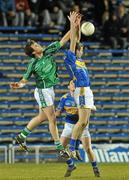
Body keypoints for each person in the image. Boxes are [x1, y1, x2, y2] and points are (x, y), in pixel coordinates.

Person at [10, 30, 71, 159]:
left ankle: (21, 136)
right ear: (33, 52)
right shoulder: (32, 63)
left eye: (37, 44)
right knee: (52, 118)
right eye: (36, 46)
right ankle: (59, 148)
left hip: (49, 91)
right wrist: (19, 85)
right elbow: (24, 80)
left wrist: (74, 26)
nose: (39, 45)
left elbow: (63, 40)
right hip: (42, 92)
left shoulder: (48, 51)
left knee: (42, 117)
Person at [65, 12, 96, 160]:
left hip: (87, 90)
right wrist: (72, 24)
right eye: (80, 49)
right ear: (76, 50)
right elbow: (73, 42)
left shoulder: (80, 60)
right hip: (82, 90)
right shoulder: (70, 59)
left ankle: (75, 148)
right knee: (82, 121)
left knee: (85, 123)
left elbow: (77, 40)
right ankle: (71, 148)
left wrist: (78, 26)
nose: (81, 51)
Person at [56, 80, 100, 177]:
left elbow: (89, 111)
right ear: (68, 86)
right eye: (72, 83)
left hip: (82, 126)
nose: (74, 85)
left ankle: (95, 167)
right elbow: (58, 113)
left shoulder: (83, 98)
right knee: (60, 147)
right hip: (69, 125)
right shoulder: (64, 98)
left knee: (88, 148)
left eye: (75, 84)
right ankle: (71, 165)